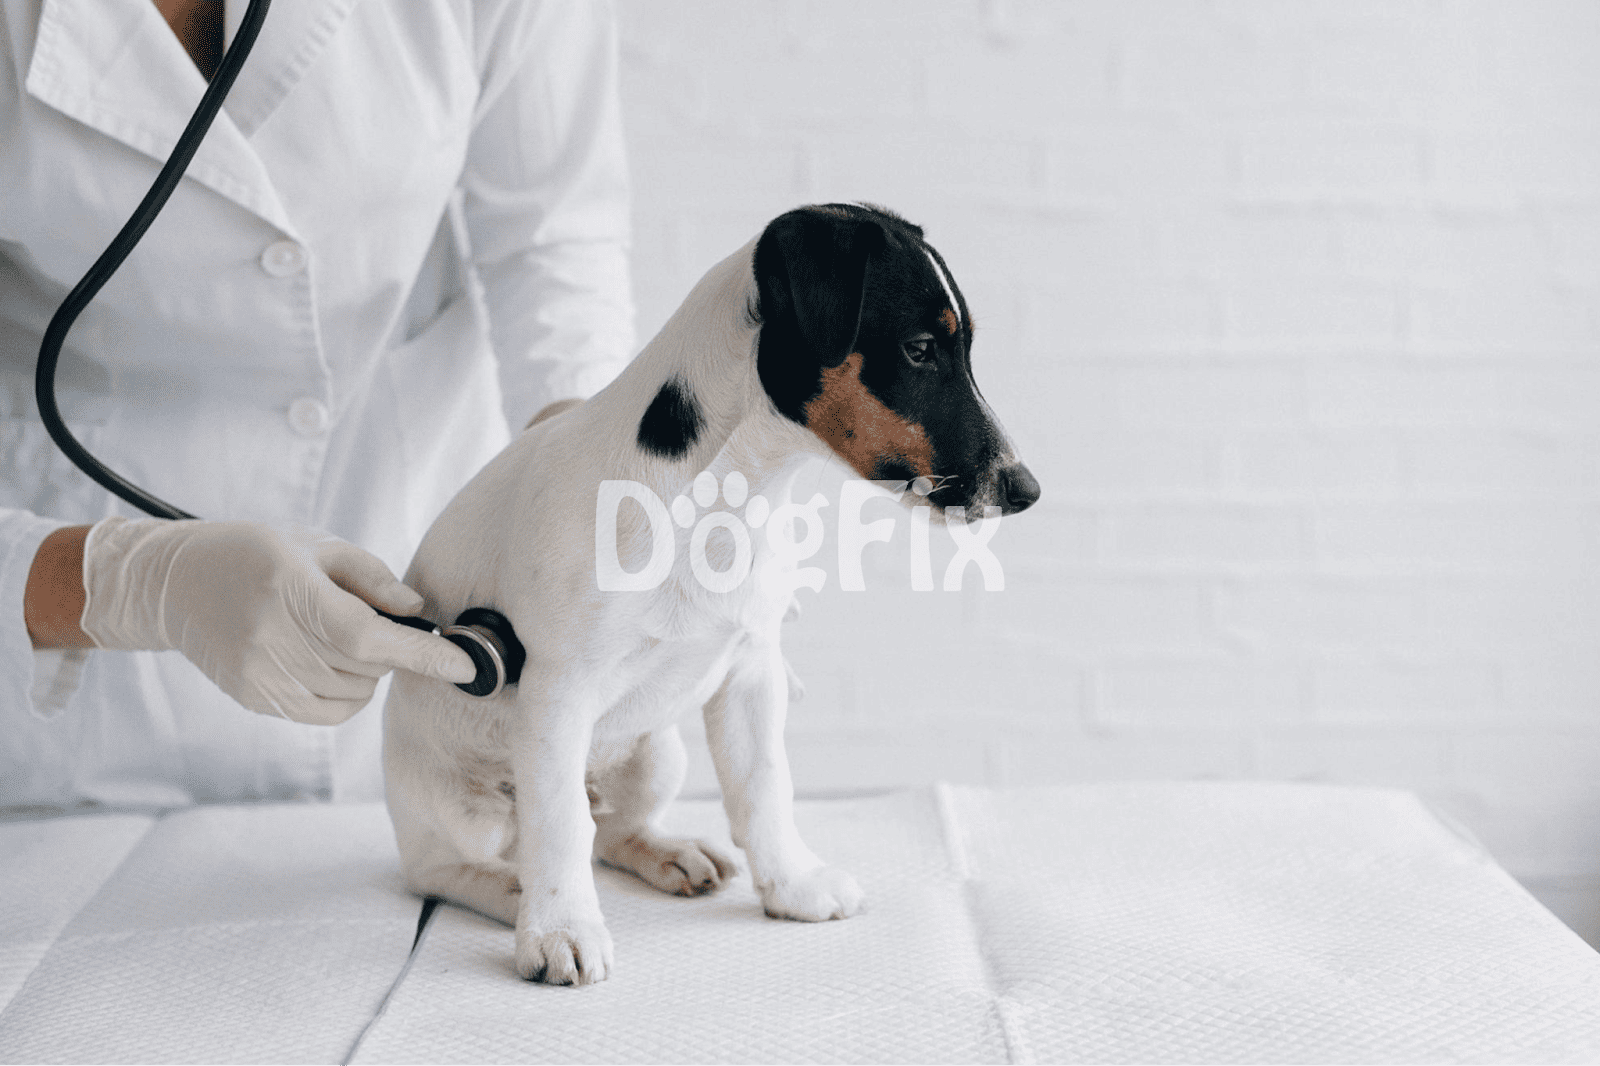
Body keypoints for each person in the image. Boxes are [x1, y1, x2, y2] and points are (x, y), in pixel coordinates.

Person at [0, 0, 634, 810]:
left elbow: (552, 240)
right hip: (77, 692)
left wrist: (599, 504)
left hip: (410, 580)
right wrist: (124, 586)